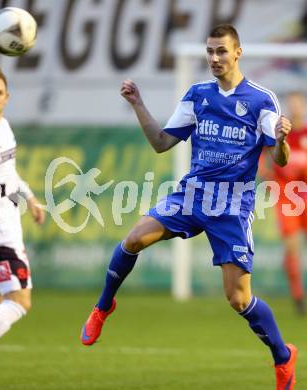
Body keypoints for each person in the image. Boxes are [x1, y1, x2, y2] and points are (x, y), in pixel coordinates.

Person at [80, 24, 297, 389]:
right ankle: (103, 307)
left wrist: (280, 140)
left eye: (221, 51)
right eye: (210, 51)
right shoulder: (197, 95)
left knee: (238, 299)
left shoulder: (262, 100)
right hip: (192, 196)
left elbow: (279, 158)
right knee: (133, 239)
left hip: (230, 206)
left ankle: (283, 357)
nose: (214, 58)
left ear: (238, 53)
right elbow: (162, 142)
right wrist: (138, 105)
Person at [0, 65, 45, 390]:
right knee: (19, 300)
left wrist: (29, 198)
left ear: (7, 97)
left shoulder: (3, 126)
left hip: (7, 225)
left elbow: (8, 175)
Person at [260, 91, 307, 314]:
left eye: (299, 104)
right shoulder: (278, 134)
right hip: (287, 198)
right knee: (292, 248)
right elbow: (263, 162)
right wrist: (268, 178)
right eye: (292, 104)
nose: (295, 108)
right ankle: (298, 297)